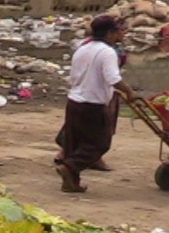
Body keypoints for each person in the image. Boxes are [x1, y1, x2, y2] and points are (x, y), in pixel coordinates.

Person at [54, 14, 135, 193]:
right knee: (100, 143)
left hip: (74, 101)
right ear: (109, 33)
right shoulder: (108, 52)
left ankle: (71, 182)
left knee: (75, 143)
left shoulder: (82, 48)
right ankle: (70, 167)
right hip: (93, 104)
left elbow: (77, 75)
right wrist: (130, 92)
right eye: (116, 32)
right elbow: (113, 78)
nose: (119, 35)